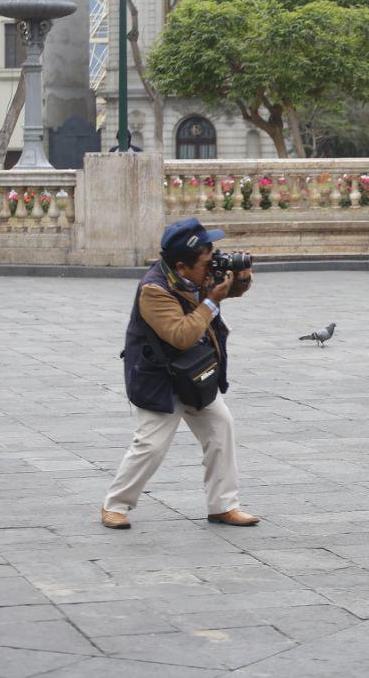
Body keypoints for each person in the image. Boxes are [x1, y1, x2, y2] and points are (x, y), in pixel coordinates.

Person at [101, 218, 258, 530]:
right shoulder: (153, 290)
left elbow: (229, 292)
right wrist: (212, 300)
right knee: (151, 445)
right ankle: (114, 505)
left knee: (220, 428)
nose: (213, 263)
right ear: (182, 267)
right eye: (206, 260)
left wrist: (240, 277)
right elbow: (180, 335)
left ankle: (223, 506)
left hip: (195, 373)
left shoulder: (195, 276)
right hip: (159, 378)